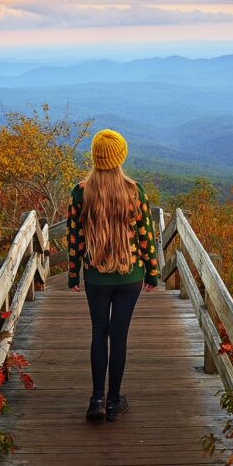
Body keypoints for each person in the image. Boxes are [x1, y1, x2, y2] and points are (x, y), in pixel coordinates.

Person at [66, 128, 160, 422]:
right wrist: (152, 272)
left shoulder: (81, 191)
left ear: (95, 157)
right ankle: (114, 400)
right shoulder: (134, 191)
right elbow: (146, 235)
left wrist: (73, 275)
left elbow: (74, 237)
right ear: (120, 156)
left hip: (96, 275)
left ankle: (96, 400)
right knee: (119, 336)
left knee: (99, 332)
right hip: (129, 274)